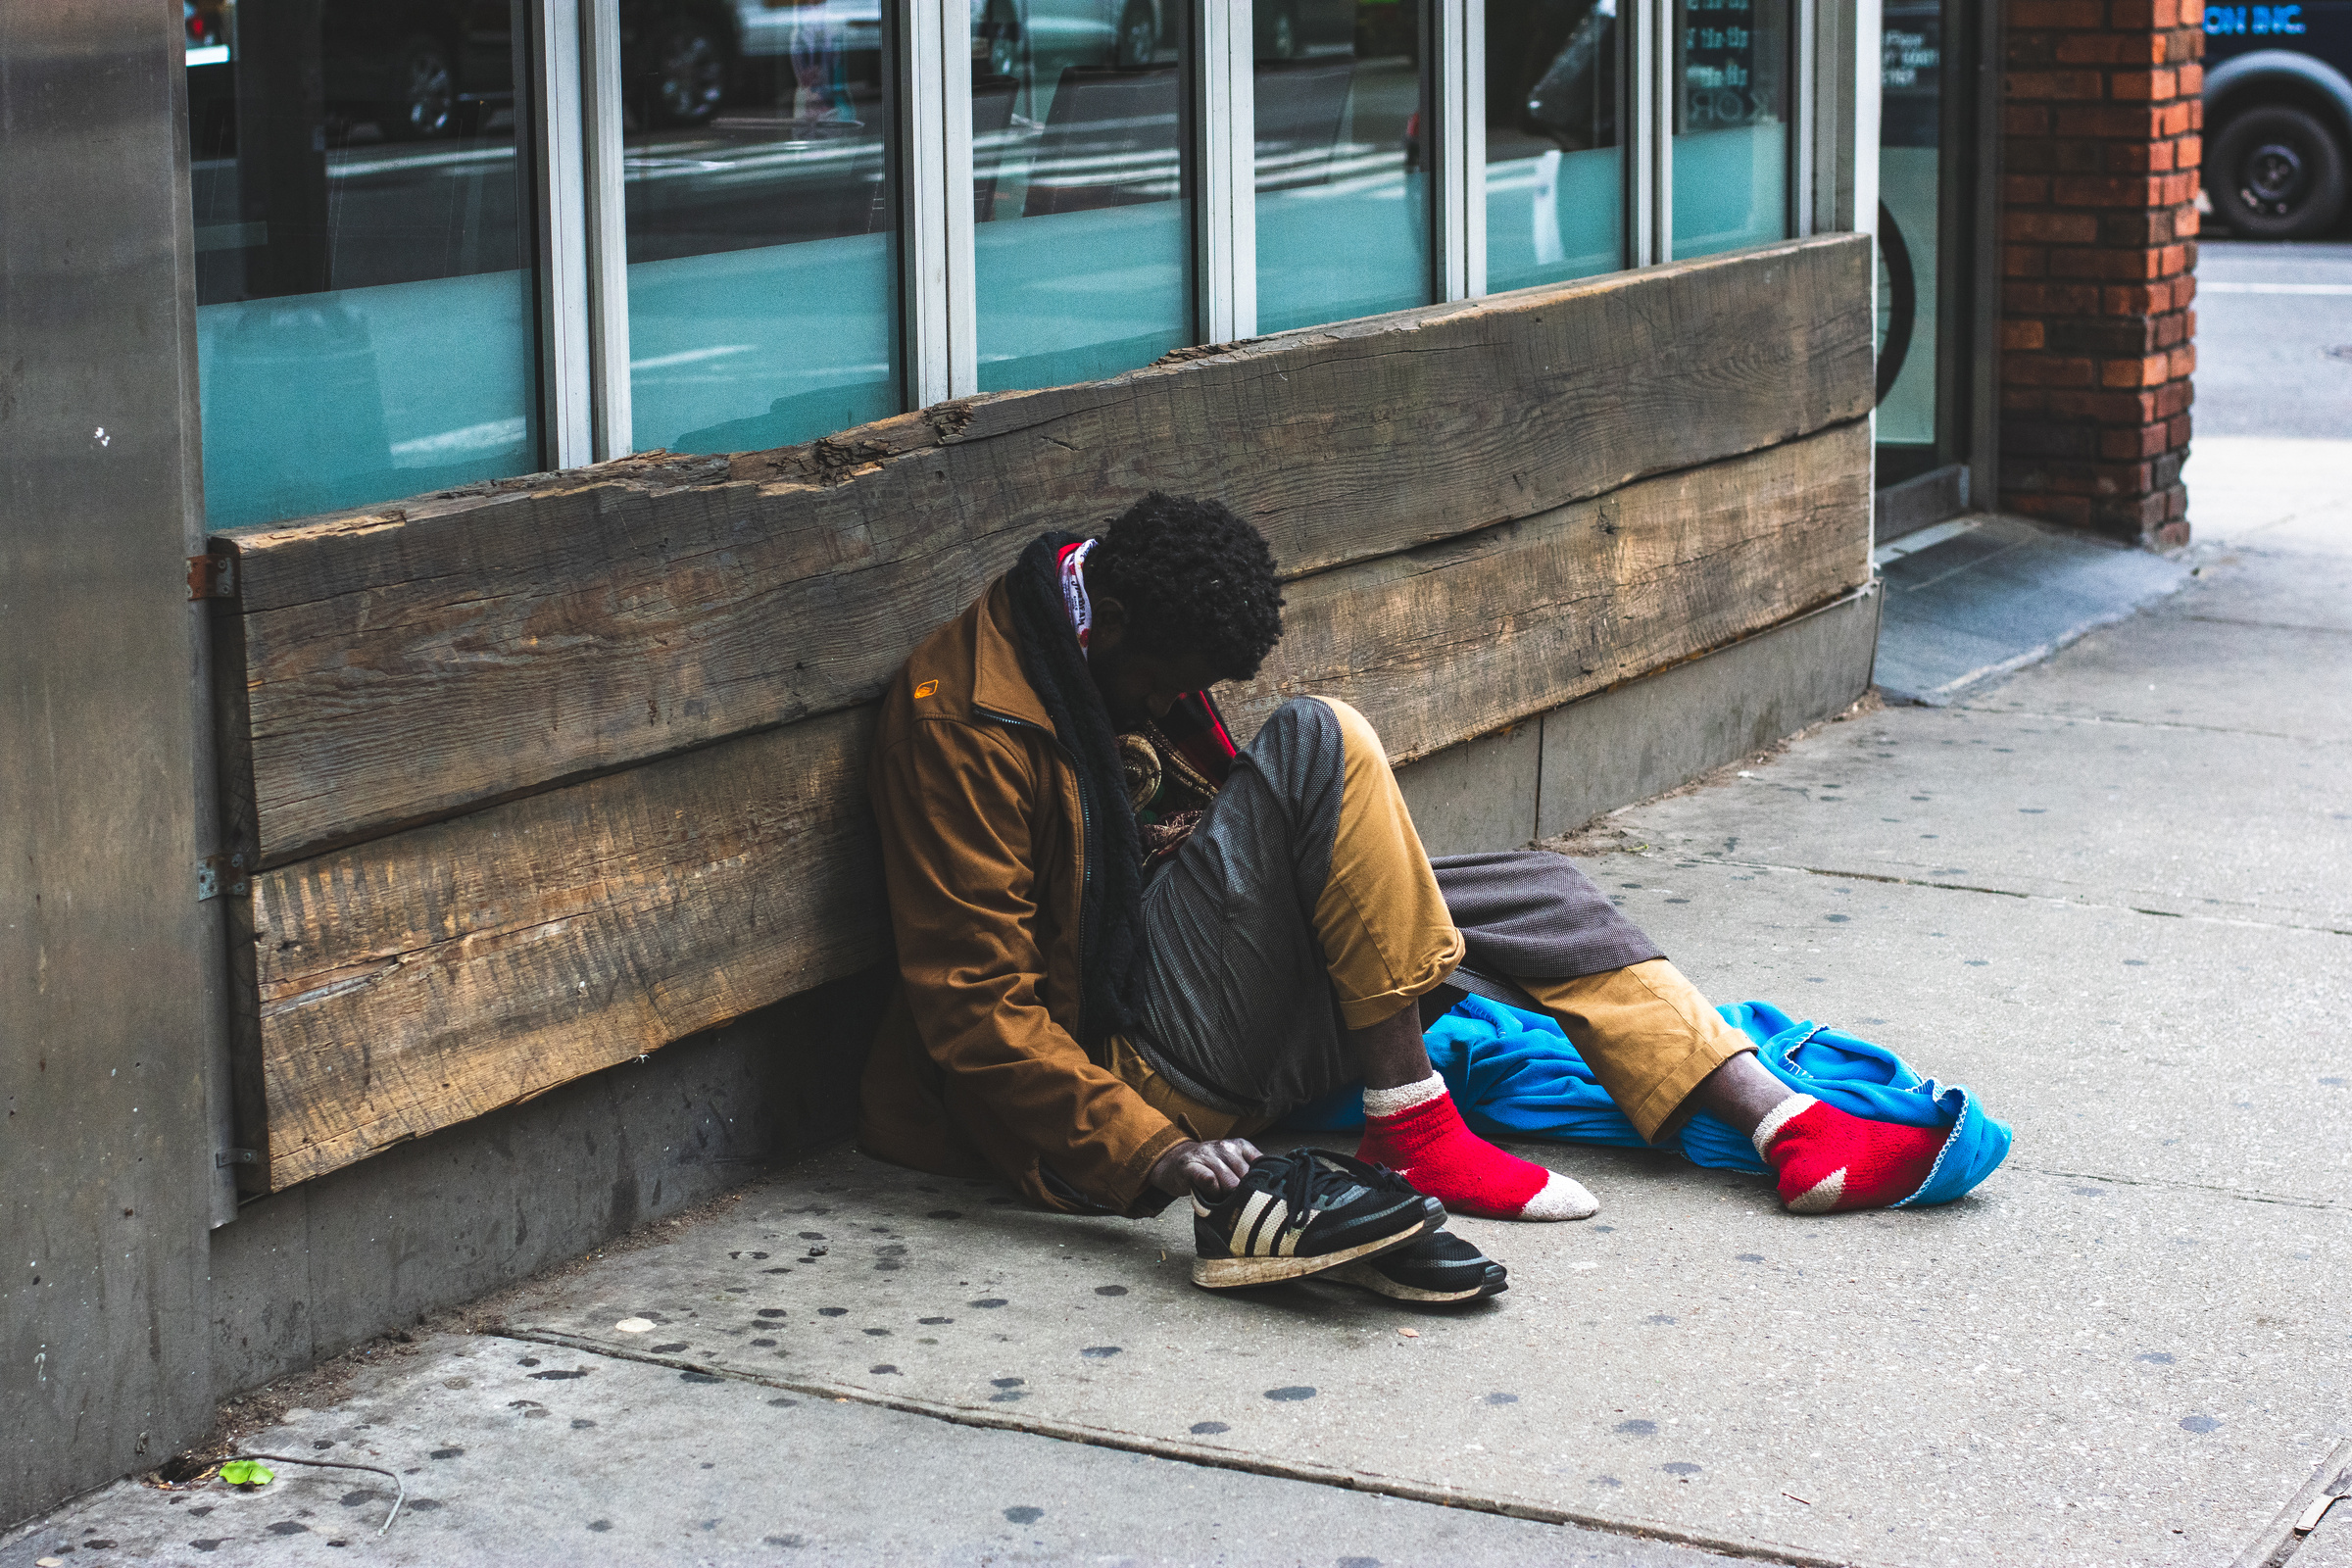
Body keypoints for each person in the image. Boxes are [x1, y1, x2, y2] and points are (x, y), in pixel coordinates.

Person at [858, 495, 1945, 1300]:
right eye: (1157, 684)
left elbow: (1124, 847)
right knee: (1317, 737)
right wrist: (1158, 1152)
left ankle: (1781, 1121)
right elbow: (975, 1006)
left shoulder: (1108, 631)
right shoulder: (962, 721)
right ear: (1116, 619)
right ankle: (1411, 1118)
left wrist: (1179, 830)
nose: (1164, 706)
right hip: (1118, 1080)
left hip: (1184, 988)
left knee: (1532, 888)